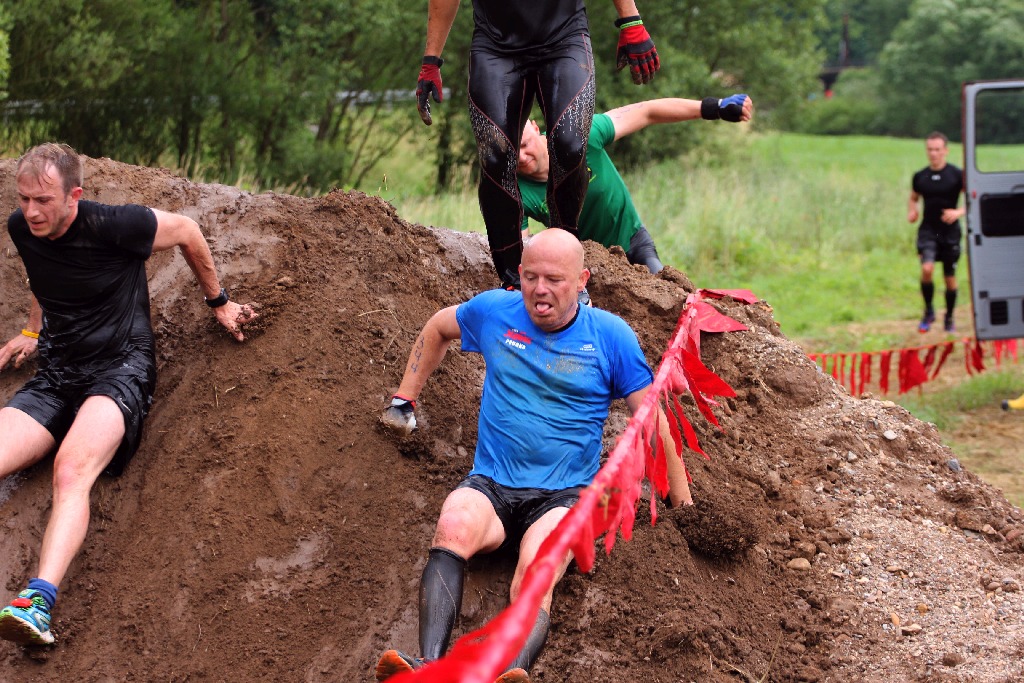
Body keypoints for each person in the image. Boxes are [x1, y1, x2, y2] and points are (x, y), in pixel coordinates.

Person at [374, 228, 691, 683]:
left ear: (582, 281)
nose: (541, 290)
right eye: (532, 277)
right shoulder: (494, 312)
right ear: (519, 275)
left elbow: (652, 420)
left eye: (555, 280)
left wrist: (684, 503)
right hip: (492, 483)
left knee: (536, 572)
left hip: (563, 496)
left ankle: (506, 673)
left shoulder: (609, 336)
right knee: (453, 524)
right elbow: (439, 327)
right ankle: (429, 665)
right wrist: (405, 398)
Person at [0, 143, 258, 645]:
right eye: (24, 198)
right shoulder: (21, 226)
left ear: (73, 196)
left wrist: (219, 303)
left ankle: (37, 603)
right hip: (56, 374)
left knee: (71, 469)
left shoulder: (116, 225)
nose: (31, 210)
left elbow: (186, 230)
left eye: (43, 200)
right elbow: (40, 270)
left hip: (119, 370)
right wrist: (33, 331)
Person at [415, 0, 660, 291]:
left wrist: (631, 21)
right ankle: (512, 283)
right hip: (496, 46)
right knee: (495, 156)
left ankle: (564, 265)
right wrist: (431, 60)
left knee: (569, 144)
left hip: (564, 37)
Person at [517, 94, 754, 273]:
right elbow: (523, 250)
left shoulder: (578, 137)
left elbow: (647, 111)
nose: (520, 157)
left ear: (536, 128)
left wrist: (715, 107)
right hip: (585, 265)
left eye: (525, 144)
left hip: (632, 241)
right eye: (510, 153)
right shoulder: (515, 191)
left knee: (667, 296)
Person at [907, 131, 965, 333]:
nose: (933, 153)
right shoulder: (920, 176)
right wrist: (912, 210)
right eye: (930, 149)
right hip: (929, 231)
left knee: (949, 278)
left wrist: (958, 212)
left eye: (937, 149)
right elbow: (914, 197)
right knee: (927, 269)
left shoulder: (957, 175)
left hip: (950, 233)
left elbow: (971, 200)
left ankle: (949, 318)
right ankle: (929, 311)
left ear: (945, 151)